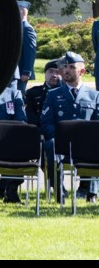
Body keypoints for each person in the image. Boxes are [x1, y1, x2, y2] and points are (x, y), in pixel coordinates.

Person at [40, 51, 99, 203]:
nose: (66, 70)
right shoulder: (53, 95)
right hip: (61, 144)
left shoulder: (94, 96)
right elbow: (46, 122)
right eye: (65, 66)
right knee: (50, 144)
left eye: (72, 67)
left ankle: (91, 193)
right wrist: (57, 137)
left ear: (82, 71)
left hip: (87, 145)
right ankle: (59, 193)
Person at [17, 0, 38, 95]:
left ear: (22, 11)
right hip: (14, 73)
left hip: (21, 72)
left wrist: (26, 72)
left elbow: (30, 51)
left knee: (18, 97)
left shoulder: (27, 28)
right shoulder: (17, 27)